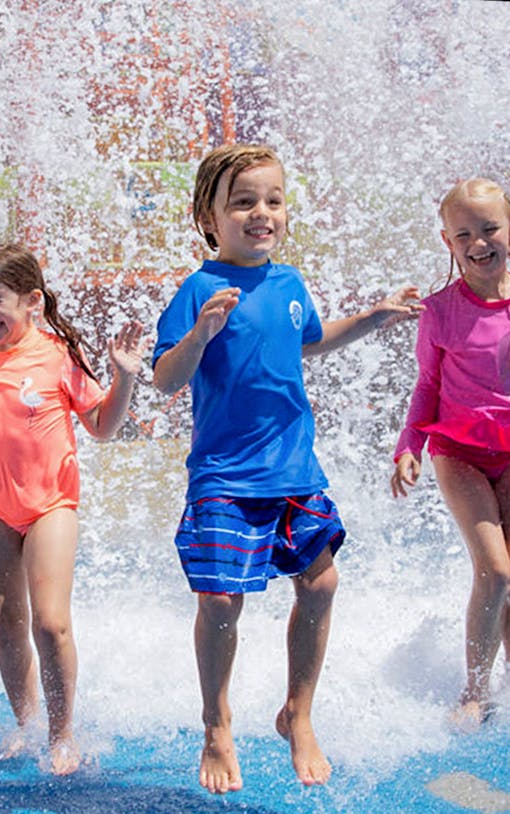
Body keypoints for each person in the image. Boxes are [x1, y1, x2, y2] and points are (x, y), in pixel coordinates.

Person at [152, 143, 422, 794]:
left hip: (295, 470)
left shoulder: (289, 281)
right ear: (209, 217)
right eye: (242, 201)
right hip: (224, 473)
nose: (261, 213)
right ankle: (217, 722)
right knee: (220, 599)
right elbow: (165, 380)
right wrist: (199, 337)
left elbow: (312, 338)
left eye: (272, 200)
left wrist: (373, 316)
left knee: (321, 585)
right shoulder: (199, 289)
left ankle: (297, 712)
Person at [0, 242, 143, 775]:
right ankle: (26, 725)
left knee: (49, 623)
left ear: (32, 300)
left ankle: (62, 735)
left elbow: (102, 428)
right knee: (4, 622)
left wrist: (125, 377)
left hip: (51, 505)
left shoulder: (57, 354)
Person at [391, 177, 510, 730]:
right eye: (465, 234)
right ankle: (474, 691)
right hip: (459, 451)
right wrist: (407, 447)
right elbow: (427, 386)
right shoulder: (441, 311)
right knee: (495, 568)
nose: (479, 242)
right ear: (448, 241)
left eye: (490, 228)